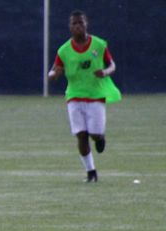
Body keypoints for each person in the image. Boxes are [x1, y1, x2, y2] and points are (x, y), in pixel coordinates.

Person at [48, 10, 120, 183]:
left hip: (95, 96)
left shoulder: (98, 45)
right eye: (74, 23)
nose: (78, 26)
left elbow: (112, 64)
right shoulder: (64, 50)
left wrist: (105, 72)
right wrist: (53, 75)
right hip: (74, 96)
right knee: (81, 134)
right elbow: (53, 71)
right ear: (70, 27)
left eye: (81, 22)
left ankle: (100, 138)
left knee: (94, 134)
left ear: (86, 24)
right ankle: (91, 172)